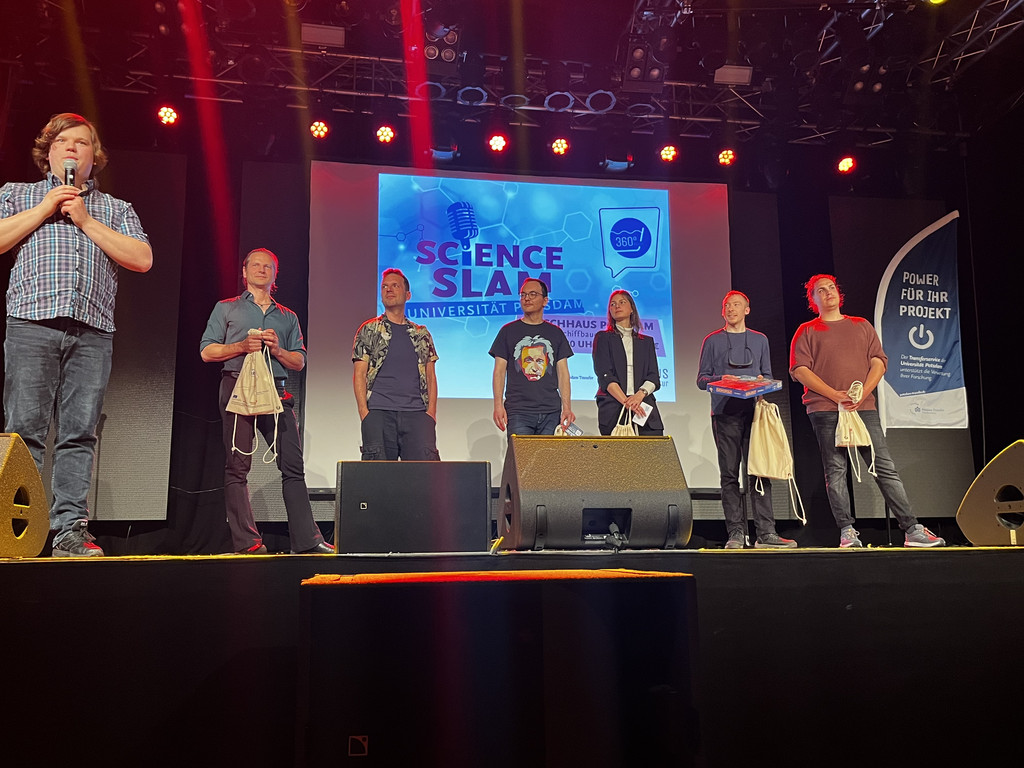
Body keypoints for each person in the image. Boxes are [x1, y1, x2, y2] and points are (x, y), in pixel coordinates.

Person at [1, 112, 153, 557]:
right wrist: (45, 209)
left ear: (94, 156)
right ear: (48, 153)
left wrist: (85, 220)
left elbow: (142, 259)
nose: (72, 147)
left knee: (78, 435)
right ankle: (17, 531)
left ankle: (68, 531)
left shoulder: (115, 209)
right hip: (31, 324)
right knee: (23, 433)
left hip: (92, 332)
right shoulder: (17, 194)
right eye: (63, 141)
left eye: (82, 142)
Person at [789, 274, 945, 548]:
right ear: (812, 299)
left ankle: (912, 530)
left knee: (884, 467)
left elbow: (878, 362)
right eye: (820, 290)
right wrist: (835, 395)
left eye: (831, 287)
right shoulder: (807, 330)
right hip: (826, 409)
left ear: (839, 292)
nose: (828, 292)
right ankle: (847, 532)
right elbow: (800, 370)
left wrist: (861, 393)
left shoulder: (861, 325)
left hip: (863, 408)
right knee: (836, 470)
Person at [200, 248, 332, 554]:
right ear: (244, 272)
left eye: (268, 266)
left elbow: (299, 361)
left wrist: (278, 350)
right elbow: (207, 351)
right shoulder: (227, 308)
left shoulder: (287, 316)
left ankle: (307, 541)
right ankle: (247, 543)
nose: (262, 269)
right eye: (255, 265)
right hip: (237, 387)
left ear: (275, 275)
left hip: (277, 390)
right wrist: (242, 346)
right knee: (237, 467)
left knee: (292, 465)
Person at [697, 291, 796, 549]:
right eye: (727, 305)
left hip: (755, 414)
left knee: (759, 472)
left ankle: (766, 533)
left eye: (736, 305)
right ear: (722, 311)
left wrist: (761, 383)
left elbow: (767, 375)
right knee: (729, 475)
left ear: (747, 310)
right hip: (724, 413)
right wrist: (722, 380)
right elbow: (702, 380)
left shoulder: (760, 340)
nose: (731, 309)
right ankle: (736, 533)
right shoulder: (712, 340)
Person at [352, 268, 439, 460]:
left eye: (394, 286)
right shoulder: (369, 330)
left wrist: (431, 413)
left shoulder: (421, 334)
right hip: (379, 414)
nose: (388, 290)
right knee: (379, 475)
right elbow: (359, 374)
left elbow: (431, 376)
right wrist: (364, 413)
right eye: (384, 287)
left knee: (424, 474)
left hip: (417, 415)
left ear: (407, 295)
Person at [490, 277, 575, 437]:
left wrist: (567, 408)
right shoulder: (508, 331)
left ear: (545, 300)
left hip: (551, 411)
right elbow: (499, 372)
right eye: (523, 295)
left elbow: (563, 373)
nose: (526, 298)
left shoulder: (556, 333)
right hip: (518, 410)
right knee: (521, 454)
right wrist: (498, 405)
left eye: (532, 294)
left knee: (548, 454)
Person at [592, 290, 664, 435]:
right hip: (614, 406)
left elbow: (653, 377)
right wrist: (627, 402)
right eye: (613, 304)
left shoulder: (646, 342)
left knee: (653, 445)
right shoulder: (603, 338)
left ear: (632, 308)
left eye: (622, 302)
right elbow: (605, 375)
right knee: (617, 449)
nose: (617, 306)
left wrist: (638, 396)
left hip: (642, 404)